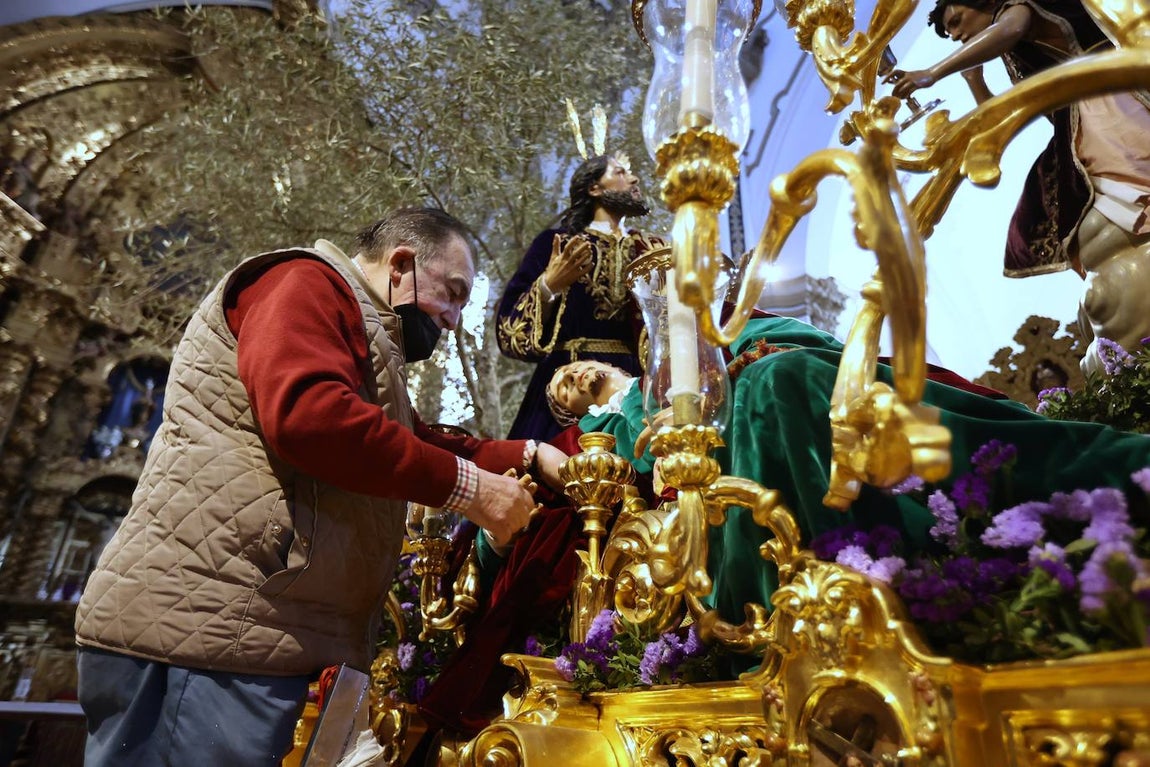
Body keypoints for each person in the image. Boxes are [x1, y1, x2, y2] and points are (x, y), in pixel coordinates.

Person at [72, 207, 568, 767]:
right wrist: (470, 490)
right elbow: (312, 418)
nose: (454, 318)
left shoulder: (355, 327)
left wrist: (526, 452)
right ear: (401, 265)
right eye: (452, 293)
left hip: (235, 634)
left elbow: (406, 437)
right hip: (201, 635)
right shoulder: (303, 282)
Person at [546, 315, 1150, 624]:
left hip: (806, 390)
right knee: (776, 388)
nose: (570, 380)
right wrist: (640, 409)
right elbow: (647, 463)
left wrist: (718, 365)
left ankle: (1102, 475)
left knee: (791, 379)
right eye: (563, 393)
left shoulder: (696, 334)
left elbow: (803, 340)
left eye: (570, 370)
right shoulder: (606, 429)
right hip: (733, 457)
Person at [883, 0, 1150, 373]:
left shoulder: (1021, 8)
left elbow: (1010, 27)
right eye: (952, 33)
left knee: (1127, 185)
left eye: (957, 21)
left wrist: (933, 72)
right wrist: (977, 83)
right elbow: (1011, 116)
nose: (957, 35)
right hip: (1075, 126)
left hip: (1105, 100)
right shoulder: (1013, 52)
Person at [495, 154, 666, 441]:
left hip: (635, 381)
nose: (634, 179)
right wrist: (549, 285)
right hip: (568, 381)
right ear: (594, 188)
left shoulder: (652, 248)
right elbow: (509, 330)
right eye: (621, 172)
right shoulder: (558, 243)